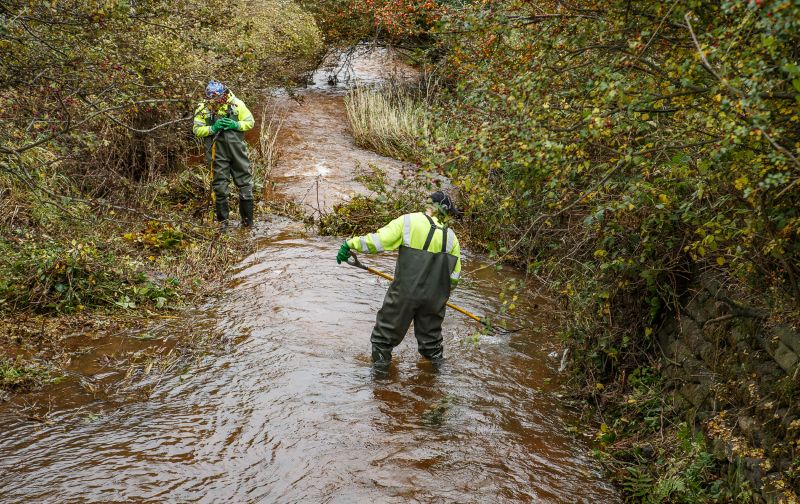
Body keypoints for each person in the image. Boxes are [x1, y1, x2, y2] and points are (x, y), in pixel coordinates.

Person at [336, 191, 462, 370]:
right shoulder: (452, 238)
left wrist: (350, 243)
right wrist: (438, 297)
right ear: (445, 211)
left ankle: (381, 385)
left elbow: (378, 242)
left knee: (383, 340)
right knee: (432, 345)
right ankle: (433, 385)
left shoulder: (409, 221)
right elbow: (454, 278)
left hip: (405, 294)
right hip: (435, 300)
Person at [193, 80, 256, 230]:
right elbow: (196, 130)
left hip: (237, 151)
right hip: (216, 152)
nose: (214, 101)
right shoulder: (203, 108)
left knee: (245, 185)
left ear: (224, 94)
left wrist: (236, 125)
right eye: (211, 98)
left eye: (217, 97)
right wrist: (212, 128)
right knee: (220, 188)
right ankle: (223, 225)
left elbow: (250, 122)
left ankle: (247, 223)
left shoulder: (236, 104)